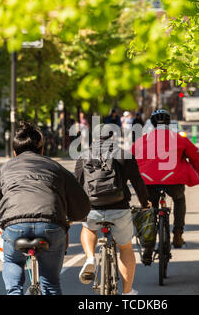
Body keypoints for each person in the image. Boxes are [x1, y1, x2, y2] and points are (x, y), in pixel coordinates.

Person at [0, 121, 91, 295]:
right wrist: (74, 216)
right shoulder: (56, 167)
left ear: (14, 152)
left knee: (12, 262)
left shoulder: (5, 168)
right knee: (51, 284)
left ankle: (14, 292)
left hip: (15, 225)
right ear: (42, 150)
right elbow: (81, 202)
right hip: (51, 224)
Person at [75, 123, 151, 295]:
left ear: (93, 138)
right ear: (114, 137)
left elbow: (76, 186)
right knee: (125, 248)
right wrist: (145, 204)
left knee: (87, 227)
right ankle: (127, 292)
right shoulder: (124, 155)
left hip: (92, 209)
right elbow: (138, 183)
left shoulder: (83, 157)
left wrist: (76, 211)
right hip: (119, 209)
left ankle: (90, 257)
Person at [132, 109, 199, 265]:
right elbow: (195, 156)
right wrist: (194, 173)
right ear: (169, 123)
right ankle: (178, 234)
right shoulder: (178, 138)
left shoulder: (143, 139)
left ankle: (148, 247)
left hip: (148, 181)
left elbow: (130, 158)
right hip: (173, 180)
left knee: (148, 208)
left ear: (153, 124)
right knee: (179, 199)